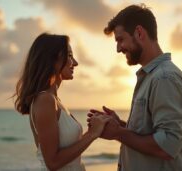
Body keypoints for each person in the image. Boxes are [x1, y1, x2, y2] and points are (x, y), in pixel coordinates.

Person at [88, 4, 182, 171]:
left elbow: (167, 144)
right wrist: (121, 126)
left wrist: (118, 133)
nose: (118, 49)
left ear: (139, 33)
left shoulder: (164, 78)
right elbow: (149, 132)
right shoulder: (151, 77)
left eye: (120, 39)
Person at [14, 33, 110, 171]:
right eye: (70, 56)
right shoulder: (45, 100)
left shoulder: (54, 100)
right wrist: (92, 134)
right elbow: (53, 162)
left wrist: (95, 129)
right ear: (53, 60)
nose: (75, 63)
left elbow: (67, 152)